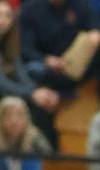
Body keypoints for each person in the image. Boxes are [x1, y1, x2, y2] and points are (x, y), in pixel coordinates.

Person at [18, 0, 100, 98]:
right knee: (35, 69)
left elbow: (98, 28)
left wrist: (96, 34)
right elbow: (25, 48)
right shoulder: (30, 9)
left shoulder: (80, 4)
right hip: (46, 64)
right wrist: (46, 60)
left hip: (78, 62)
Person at [0, 0, 60, 147]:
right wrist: (32, 94)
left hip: (8, 92)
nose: (3, 20)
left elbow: (22, 75)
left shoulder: (9, 45)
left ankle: (49, 158)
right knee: (20, 104)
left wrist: (39, 92)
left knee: (41, 105)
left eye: (7, 16)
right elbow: (2, 83)